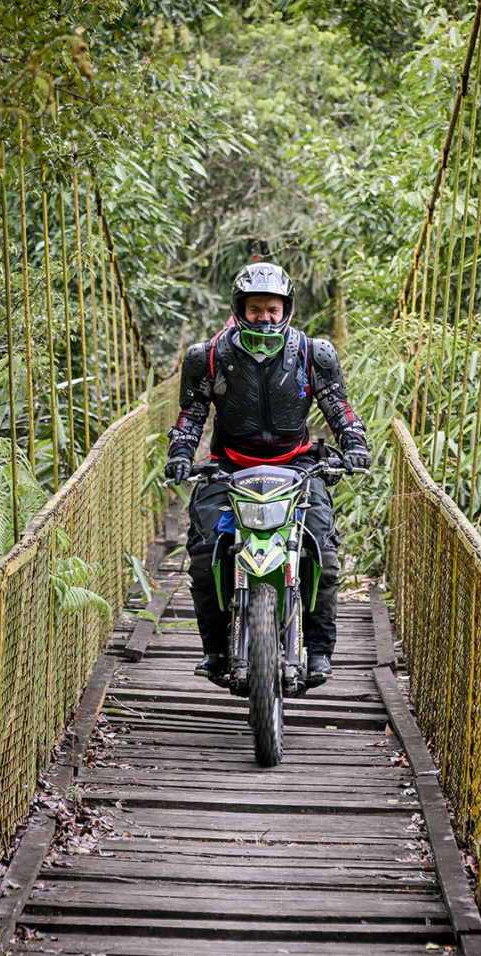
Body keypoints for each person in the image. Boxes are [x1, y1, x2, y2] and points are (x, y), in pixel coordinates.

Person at [165, 261, 370, 688]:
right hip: (229, 467)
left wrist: (354, 446)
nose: (265, 317)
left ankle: (318, 651)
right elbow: (191, 416)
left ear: (286, 309)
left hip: (297, 464)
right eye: (256, 308)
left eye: (272, 309)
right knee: (204, 554)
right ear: (241, 309)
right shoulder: (209, 356)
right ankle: (215, 650)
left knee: (325, 555)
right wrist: (182, 455)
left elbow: (339, 408)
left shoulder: (314, 353)